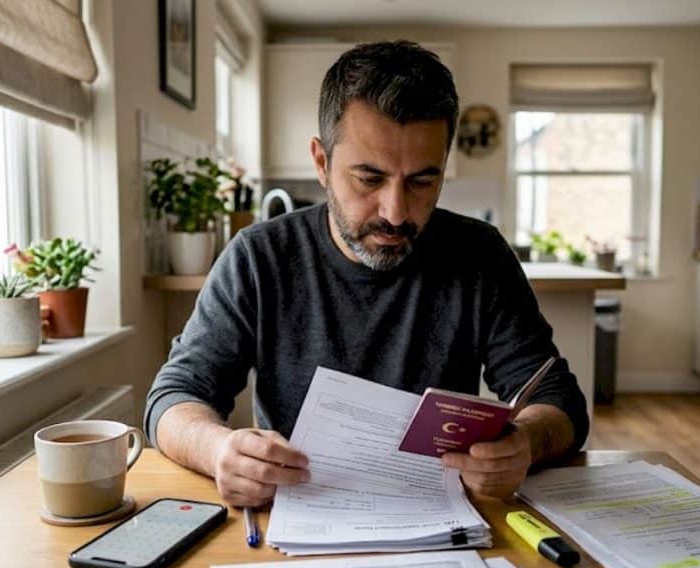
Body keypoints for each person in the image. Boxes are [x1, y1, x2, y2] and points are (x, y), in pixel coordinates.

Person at [145, 40, 588, 508]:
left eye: (421, 181)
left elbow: (558, 400)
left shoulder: (479, 255)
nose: (395, 213)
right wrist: (219, 450)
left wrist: (525, 444)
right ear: (321, 162)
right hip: (297, 517)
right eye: (369, 179)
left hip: (440, 520)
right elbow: (174, 397)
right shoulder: (259, 257)